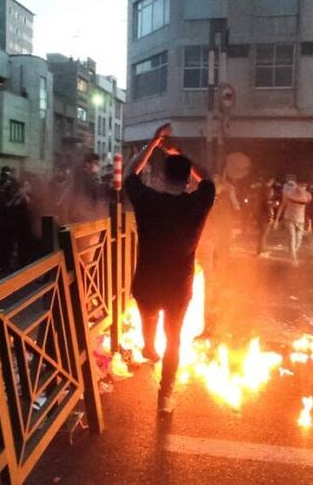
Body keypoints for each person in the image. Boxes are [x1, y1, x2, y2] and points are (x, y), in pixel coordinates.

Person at [124, 123, 215, 414]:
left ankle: (149, 346)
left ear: (161, 177)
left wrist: (153, 142)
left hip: (147, 283)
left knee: (149, 320)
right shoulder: (198, 203)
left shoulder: (148, 200)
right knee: (174, 339)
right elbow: (209, 178)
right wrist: (181, 151)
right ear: (189, 180)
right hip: (178, 286)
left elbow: (130, 174)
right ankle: (165, 397)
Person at [276, 178, 313, 264]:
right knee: (292, 238)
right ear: (297, 185)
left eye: (304, 186)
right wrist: (277, 219)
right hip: (289, 218)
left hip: (301, 220)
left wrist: (310, 223)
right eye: (301, 185)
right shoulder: (289, 194)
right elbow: (282, 205)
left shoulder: (308, 196)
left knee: (299, 240)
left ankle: (292, 253)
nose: (302, 188)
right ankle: (293, 259)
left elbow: (309, 210)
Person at [256, 177, 276, 256]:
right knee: (264, 234)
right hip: (265, 216)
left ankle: (261, 249)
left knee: (262, 234)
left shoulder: (261, 190)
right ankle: (261, 251)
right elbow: (268, 205)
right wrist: (271, 216)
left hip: (260, 215)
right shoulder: (268, 190)